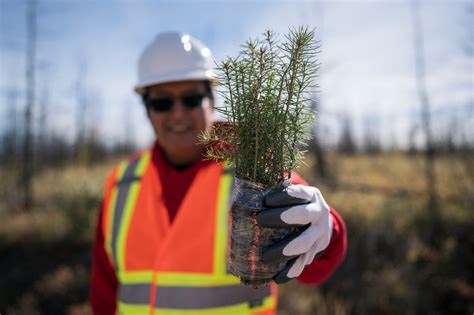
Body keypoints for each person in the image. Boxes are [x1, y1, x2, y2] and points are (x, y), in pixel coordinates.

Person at [89, 31, 347, 315]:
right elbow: (104, 292)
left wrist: (326, 231)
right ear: (147, 110)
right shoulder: (121, 183)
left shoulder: (255, 165)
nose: (177, 114)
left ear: (211, 101)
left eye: (190, 99)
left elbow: (314, 263)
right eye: (162, 102)